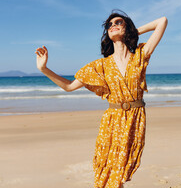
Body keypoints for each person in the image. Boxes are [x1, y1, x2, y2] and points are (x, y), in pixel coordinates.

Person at [35, 10, 167, 188]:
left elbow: (162, 21)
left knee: (122, 169)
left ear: (127, 28)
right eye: (109, 25)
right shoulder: (100, 66)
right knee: (108, 169)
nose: (112, 26)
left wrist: (133, 32)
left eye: (118, 22)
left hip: (135, 119)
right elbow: (68, 86)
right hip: (112, 121)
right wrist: (44, 69)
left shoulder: (141, 55)